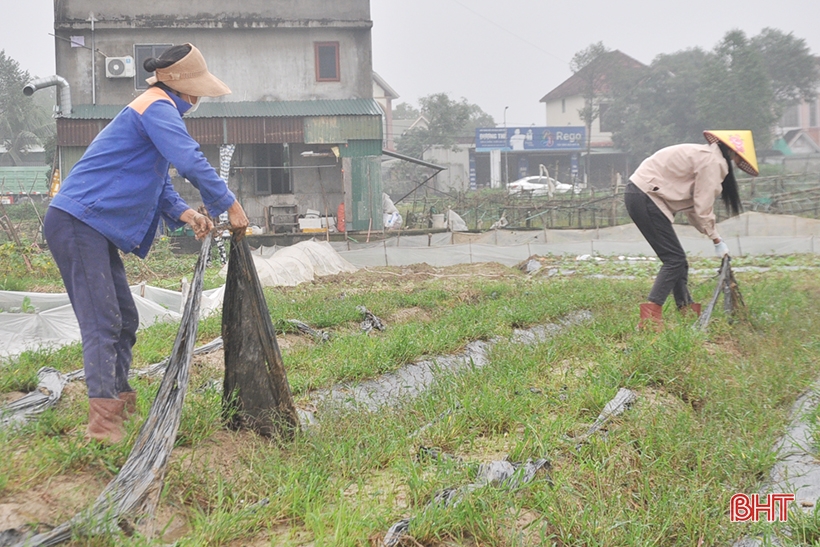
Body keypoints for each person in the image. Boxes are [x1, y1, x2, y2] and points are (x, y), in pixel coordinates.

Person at [43, 44, 249, 443]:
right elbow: (188, 159)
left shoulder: (155, 108)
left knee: (125, 317)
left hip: (92, 225)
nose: (199, 98)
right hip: (76, 221)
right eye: (197, 90)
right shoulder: (156, 107)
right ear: (180, 86)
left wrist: (186, 213)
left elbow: (153, 179)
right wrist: (230, 204)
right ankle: (103, 425)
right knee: (103, 321)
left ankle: (120, 403)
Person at [624, 130, 759, 328]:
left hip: (640, 194)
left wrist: (715, 237)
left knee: (679, 261)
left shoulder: (707, 156)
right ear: (736, 152)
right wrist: (716, 239)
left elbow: (696, 210)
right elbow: (703, 207)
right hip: (646, 196)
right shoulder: (713, 162)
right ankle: (649, 320)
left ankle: (686, 311)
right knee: (674, 260)